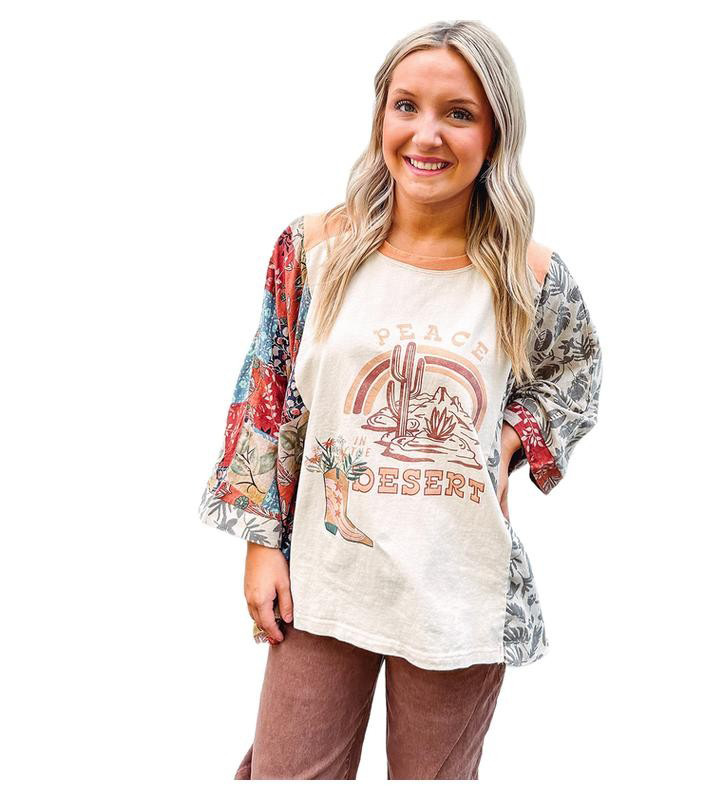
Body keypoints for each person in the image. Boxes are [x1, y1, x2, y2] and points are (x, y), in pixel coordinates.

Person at [197, 19, 603, 780]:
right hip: (324, 578)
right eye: (406, 105)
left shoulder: (529, 275)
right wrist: (260, 544)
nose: (427, 134)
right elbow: (264, 394)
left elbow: (574, 374)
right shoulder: (315, 249)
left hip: (459, 585)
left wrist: (511, 440)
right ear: (381, 114)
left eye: (459, 113)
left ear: (495, 133)